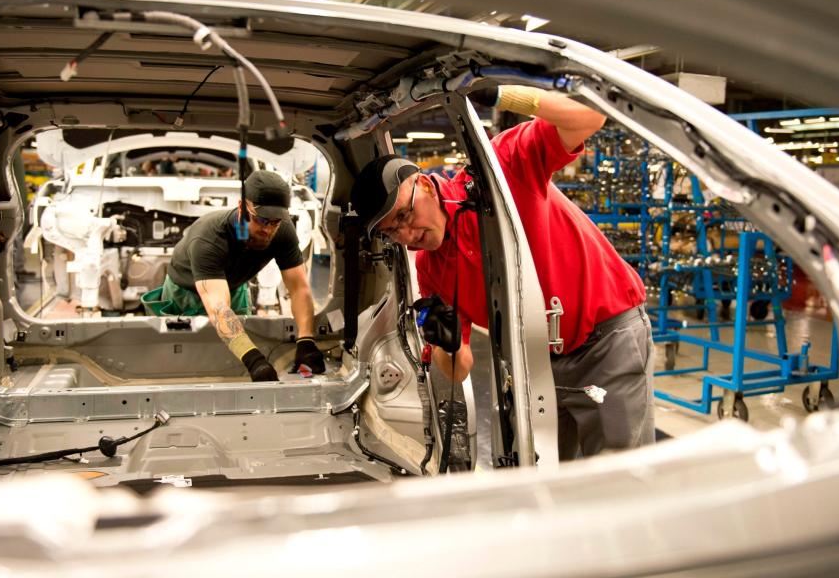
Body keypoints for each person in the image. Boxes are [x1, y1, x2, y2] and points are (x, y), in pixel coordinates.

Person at [350, 86, 654, 460]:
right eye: (391, 232)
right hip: (539, 362)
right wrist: (444, 342)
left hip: (606, 341)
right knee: (553, 479)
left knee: (618, 476)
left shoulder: (500, 169)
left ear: (425, 185)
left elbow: (591, 116)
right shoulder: (432, 271)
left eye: (405, 215)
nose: (408, 235)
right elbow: (460, 370)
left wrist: (503, 95)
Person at [145, 170, 326, 382]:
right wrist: (254, 359)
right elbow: (218, 308)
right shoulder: (209, 237)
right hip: (185, 292)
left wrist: (306, 341)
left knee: (234, 356)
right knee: (182, 354)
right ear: (241, 208)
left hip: (235, 286)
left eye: (275, 222)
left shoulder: (282, 230)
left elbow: (299, 289)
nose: (268, 229)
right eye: (261, 220)